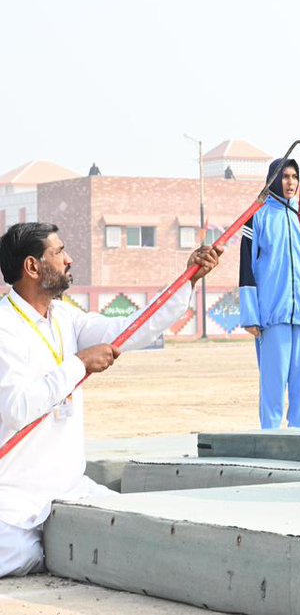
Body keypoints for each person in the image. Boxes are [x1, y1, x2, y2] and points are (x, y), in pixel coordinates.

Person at [0, 222, 221, 577]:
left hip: (69, 488)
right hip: (14, 498)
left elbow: (129, 330)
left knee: (142, 528)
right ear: (32, 267)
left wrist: (187, 280)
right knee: (21, 554)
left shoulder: (65, 318)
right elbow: (16, 408)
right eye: (59, 253)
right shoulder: (4, 327)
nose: (69, 260)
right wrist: (79, 364)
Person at [239, 158, 300, 429]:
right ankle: (270, 434)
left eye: (294, 176)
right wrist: (251, 315)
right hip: (272, 314)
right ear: (273, 180)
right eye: (285, 176)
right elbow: (246, 267)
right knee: (273, 379)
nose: (290, 182)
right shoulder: (256, 216)